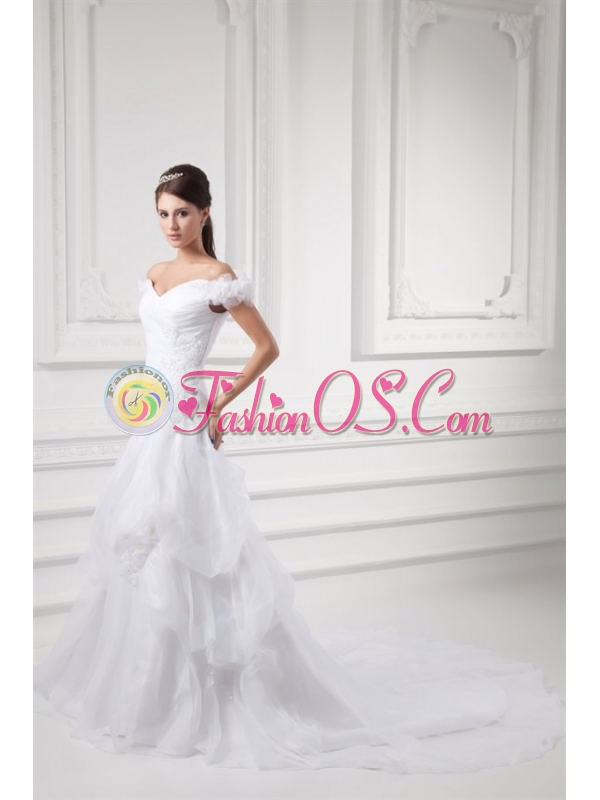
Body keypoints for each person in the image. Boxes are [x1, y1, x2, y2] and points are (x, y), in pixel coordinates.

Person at [34, 164, 566, 772]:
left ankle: (205, 693)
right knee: (139, 539)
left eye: (182, 212)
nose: (171, 224)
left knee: (188, 538)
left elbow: (267, 348)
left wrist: (219, 402)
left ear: (205, 213)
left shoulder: (219, 278)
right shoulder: (155, 274)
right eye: (162, 213)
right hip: (151, 415)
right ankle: (141, 692)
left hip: (187, 420)